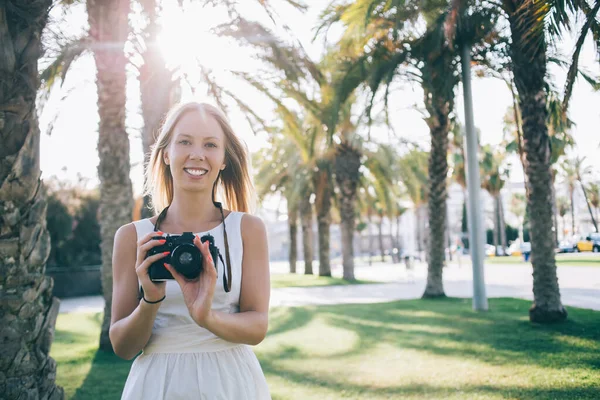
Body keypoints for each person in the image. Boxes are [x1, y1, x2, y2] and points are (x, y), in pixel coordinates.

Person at [109, 102, 271, 399]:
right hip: (156, 385)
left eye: (210, 144)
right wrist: (151, 299)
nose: (197, 154)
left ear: (223, 159)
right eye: (185, 141)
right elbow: (123, 346)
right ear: (166, 153)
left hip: (231, 382)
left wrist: (206, 317)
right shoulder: (133, 237)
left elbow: (257, 326)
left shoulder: (248, 229)